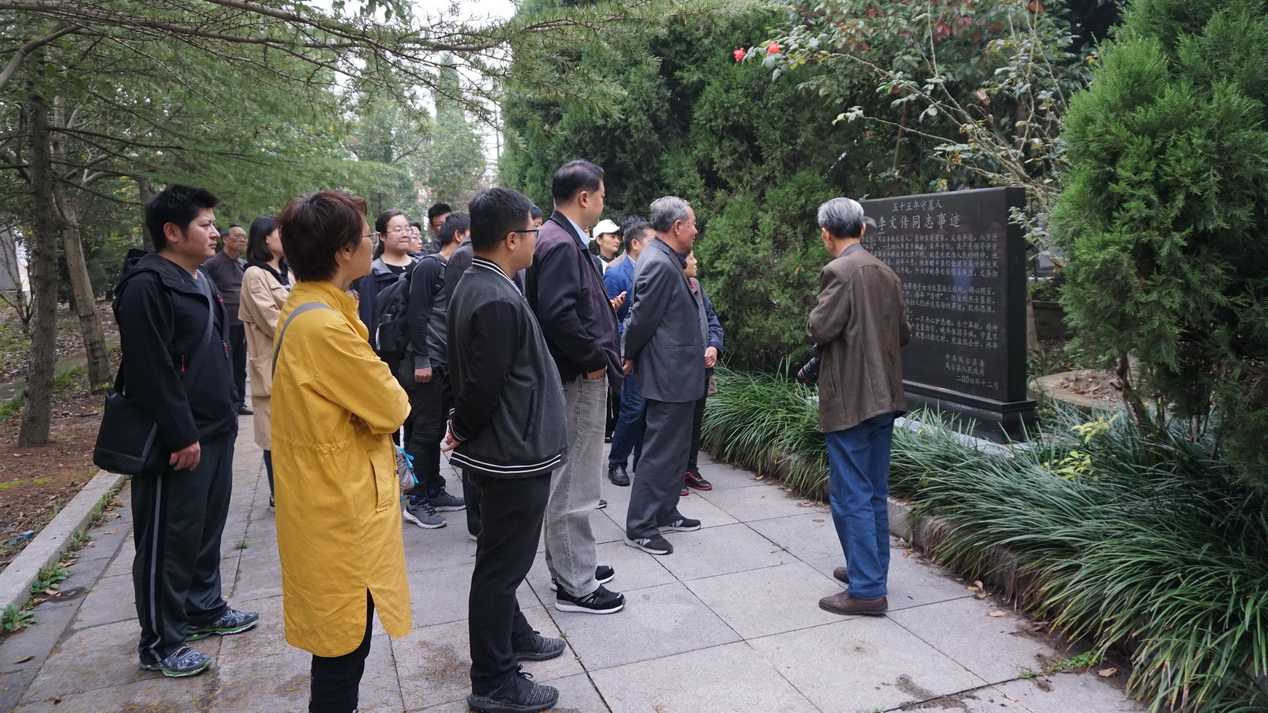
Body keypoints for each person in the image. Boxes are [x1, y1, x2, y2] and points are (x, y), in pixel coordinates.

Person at [271, 190, 413, 712]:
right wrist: (368, 410)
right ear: (343, 252)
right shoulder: (324, 326)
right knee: (344, 643)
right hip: (338, 508)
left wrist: (364, 409)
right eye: (366, 236)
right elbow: (393, 405)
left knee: (345, 640)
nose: (373, 242)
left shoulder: (314, 308)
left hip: (330, 497)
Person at [115, 184, 257, 678]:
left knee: (204, 530)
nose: (216, 232)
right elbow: (150, 367)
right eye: (205, 224)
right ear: (172, 232)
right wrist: (180, 435)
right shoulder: (147, 285)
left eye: (214, 223)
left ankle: (203, 608)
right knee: (168, 540)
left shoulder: (198, 278)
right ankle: (160, 642)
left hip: (215, 428)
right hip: (178, 440)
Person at [445, 187, 569, 713]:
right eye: (533, 231)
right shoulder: (493, 294)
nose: (538, 239)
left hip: (508, 447)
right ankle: (494, 681)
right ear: (512, 239)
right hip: (511, 454)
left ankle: (513, 635)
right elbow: (483, 385)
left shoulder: (483, 281)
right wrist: (460, 427)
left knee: (501, 560)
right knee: (500, 568)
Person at [524, 159, 624, 614]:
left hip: (576, 375)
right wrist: (593, 360)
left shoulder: (556, 237)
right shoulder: (561, 242)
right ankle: (575, 584)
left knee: (571, 478)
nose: (603, 203)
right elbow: (558, 314)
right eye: (601, 195)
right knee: (576, 482)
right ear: (584, 197)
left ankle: (571, 563)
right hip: (578, 378)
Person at [807, 197, 911, 617]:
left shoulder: (839, 271)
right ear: (863, 229)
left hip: (851, 398)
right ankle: (868, 570)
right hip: (885, 396)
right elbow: (903, 333)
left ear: (825, 233)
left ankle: (867, 589)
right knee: (873, 491)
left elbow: (819, 328)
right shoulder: (887, 272)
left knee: (850, 493)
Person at [621, 196, 705, 556]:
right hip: (669, 375)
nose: (696, 230)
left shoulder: (667, 257)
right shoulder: (658, 261)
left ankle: (666, 511)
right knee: (659, 452)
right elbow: (641, 319)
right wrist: (627, 353)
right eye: (693, 223)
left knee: (676, 449)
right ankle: (640, 526)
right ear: (677, 226)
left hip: (680, 374)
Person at [399, 212, 470, 530]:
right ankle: (415, 500)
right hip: (426, 364)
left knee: (434, 430)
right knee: (423, 433)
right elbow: (416, 316)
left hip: (444, 365)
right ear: (459, 236)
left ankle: (433, 488)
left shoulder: (457, 268)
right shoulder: (430, 266)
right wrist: (422, 360)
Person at [238, 215, 290, 510]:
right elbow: (272, 320)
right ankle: (278, 493)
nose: (286, 236)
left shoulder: (287, 271)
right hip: (270, 364)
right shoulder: (254, 274)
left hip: (293, 361)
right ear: (264, 238)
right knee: (273, 431)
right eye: (280, 232)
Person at [603, 217, 652, 486]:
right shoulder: (615, 273)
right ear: (635, 244)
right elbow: (609, 319)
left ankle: (642, 461)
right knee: (633, 408)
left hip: (651, 351)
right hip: (627, 351)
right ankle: (617, 462)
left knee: (647, 410)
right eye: (651, 241)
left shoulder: (654, 268)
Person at [683, 249, 724, 493]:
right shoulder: (670, 285)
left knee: (695, 422)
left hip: (701, 369)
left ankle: (690, 469)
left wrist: (714, 346)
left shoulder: (696, 285)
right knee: (676, 424)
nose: (696, 261)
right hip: (679, 371)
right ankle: (672, 473)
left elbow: (712, 320)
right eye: (691, 258)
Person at [202, 222, 250, 415]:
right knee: (224, 363)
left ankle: (240, 402)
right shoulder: (212, 263)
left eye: (244, 237)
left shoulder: (244, 265)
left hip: (242, 322)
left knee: (240, 363)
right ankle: (228, 402)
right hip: (222, 323)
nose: (242, 240)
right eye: (237, 236)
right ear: (225, 239)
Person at [353, 209, 415, 345]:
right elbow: (368, 320)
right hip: (390, 351)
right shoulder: (372, 273)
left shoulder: (421, 267)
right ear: (382, 236)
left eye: (407, 229)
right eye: (398, 230)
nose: (405, 234)